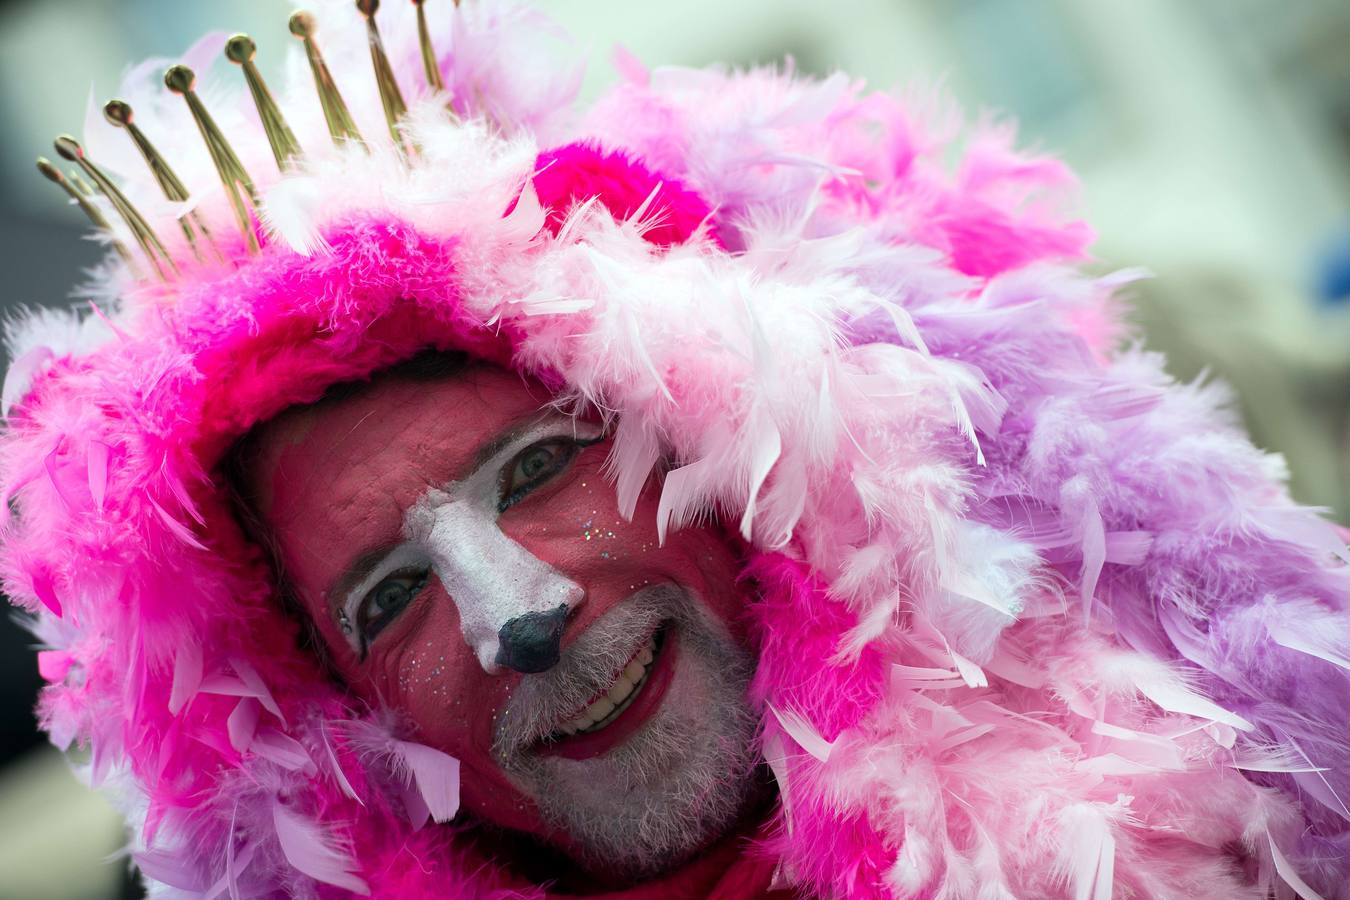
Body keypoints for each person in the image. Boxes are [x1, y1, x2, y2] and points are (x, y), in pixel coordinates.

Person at [3, 1, 1347, 897]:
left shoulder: (1215, 738)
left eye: (533, 472)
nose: (513, 618)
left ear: (714, 434)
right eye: (388, 597)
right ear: (340, 723)